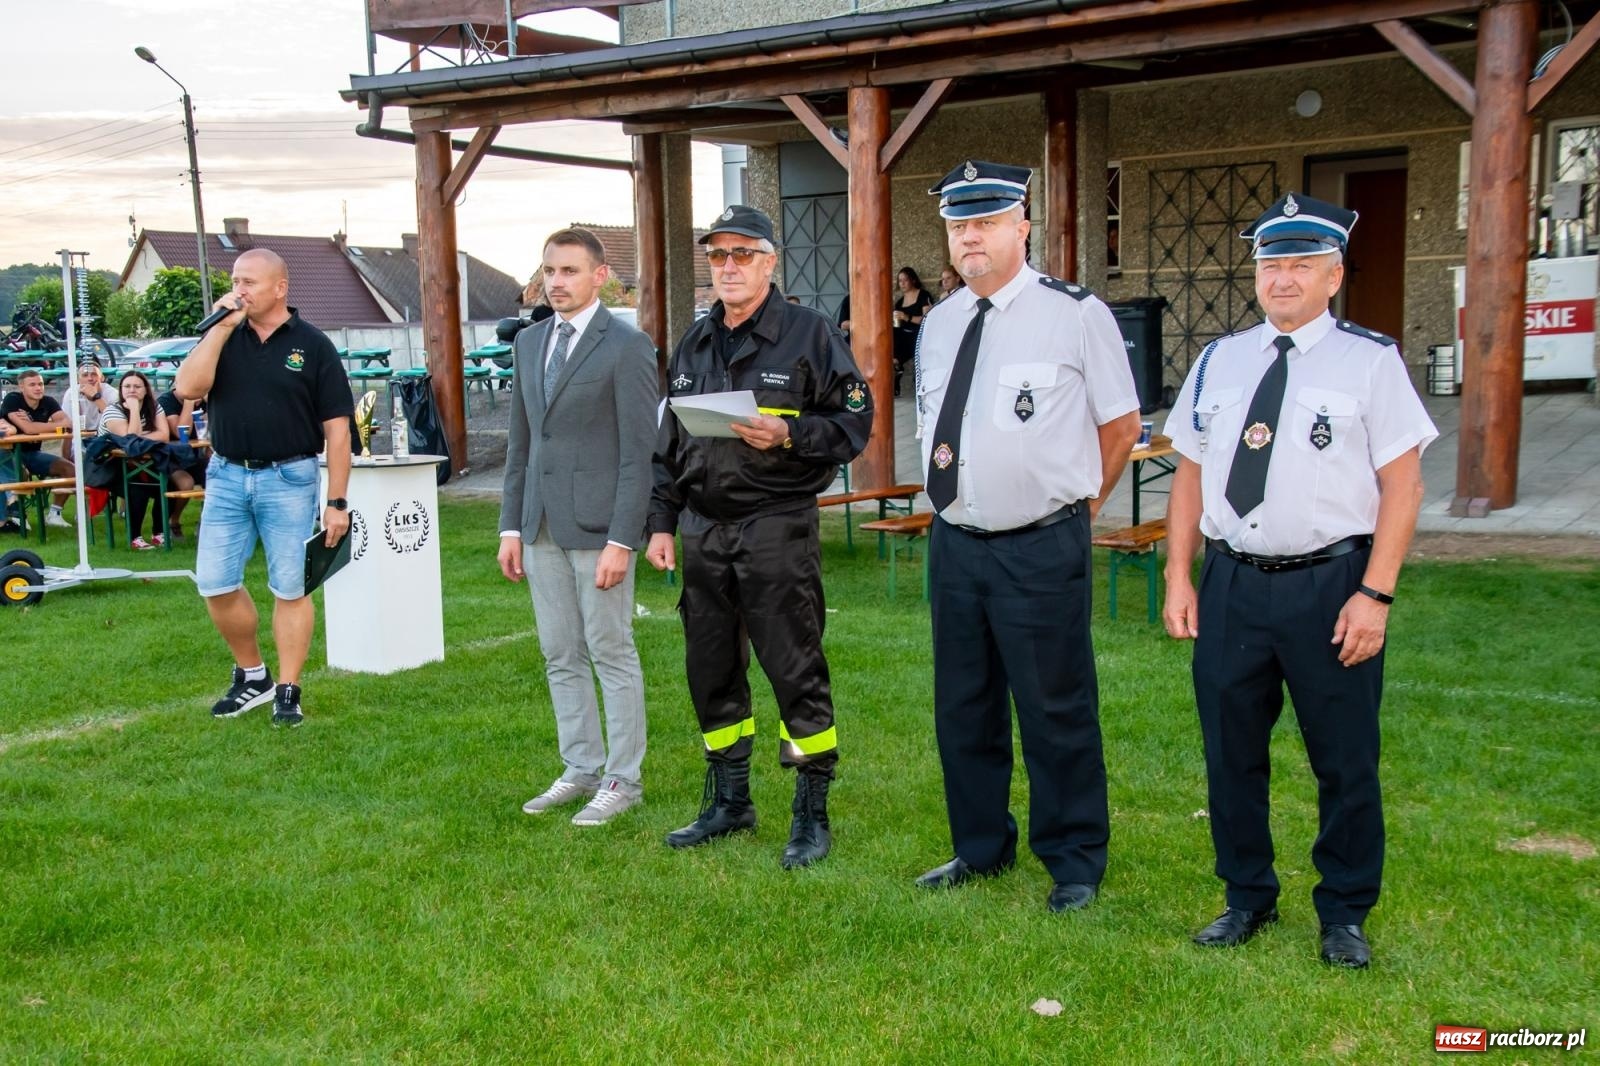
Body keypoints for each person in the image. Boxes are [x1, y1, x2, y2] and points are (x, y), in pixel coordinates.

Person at [1161, 193, 1436, 969]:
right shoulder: (1219, 361)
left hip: (1331, 585)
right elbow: (1190, 474)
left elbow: (1404, 486)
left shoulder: (1370, 361)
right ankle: (1246, 895)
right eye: (1271, 263)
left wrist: (1375, 594)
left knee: (1344, 758)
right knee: (1231, 752)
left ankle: (1344, 911)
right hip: (1233, 582)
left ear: (1333, 275)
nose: (1282, 278)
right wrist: (1180, 575)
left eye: (1302, 264)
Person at [912, 160, 1141, 913]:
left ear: (1023, 227)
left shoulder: (1075, 314)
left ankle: (1073, 860)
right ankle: (979, 847)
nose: (970, 237)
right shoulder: (941, 323)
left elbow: (1121, 426)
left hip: (1040, 543)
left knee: (1055, 707)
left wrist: (1077, 505)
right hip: (956, 541)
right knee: (963, 706)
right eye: (959, 224)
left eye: (986, 221)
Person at [645, 204, 872, 869]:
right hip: (702, 530)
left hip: (776, 526)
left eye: (743, 254)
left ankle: (810, 809)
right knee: (710, 668)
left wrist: (790, 433)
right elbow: (668, 445)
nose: (729, 267)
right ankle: (730, 800)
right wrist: (660, 522)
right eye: (718, 255)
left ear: (771, 262)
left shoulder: (809, 334)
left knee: (794, 667)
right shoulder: (694, 343)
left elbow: (854, 425)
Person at [497, 227, 659, 827]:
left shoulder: (628, 345)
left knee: (610, 651)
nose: (556, 282)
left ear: (600, 276)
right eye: (549, 271)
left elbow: (639, 453)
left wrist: (623, 538)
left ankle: (623, 779)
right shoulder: (529, 342)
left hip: (599, 530)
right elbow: (521, 442)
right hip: (539, 525)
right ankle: (581, 767)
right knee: (560, 652)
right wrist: (510, 526)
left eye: (569, 271)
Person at [175, 248, 353, 729]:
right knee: (215, 582)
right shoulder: (223, 336)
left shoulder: (313, 345)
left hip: (289, 478)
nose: (239, 290)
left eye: (249, 282)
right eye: (235, 281)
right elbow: (187, 388)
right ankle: (253, 675)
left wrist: (336, 502)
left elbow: (338, 430)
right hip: (227, 475)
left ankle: (288, 689)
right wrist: (219, 330)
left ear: (280, 288)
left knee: (290, 587)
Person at [100, 370, 174, 550]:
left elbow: (164, 436)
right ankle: (135, 537)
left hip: (143, 463)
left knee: (171, 483)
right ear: (120, 389)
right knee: (137, 489)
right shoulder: (112, 411)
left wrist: (140, 437)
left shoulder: (154, 407)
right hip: (110, 466)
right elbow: (131, 440)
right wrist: (133, 409)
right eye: (127, 386)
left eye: (137, 386)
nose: (132, 390)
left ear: (146, 390)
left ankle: (159, 532)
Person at [1, 368, 75, 528]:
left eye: (40, 384)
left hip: (33, 453)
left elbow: (68, 424)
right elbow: (29, 430)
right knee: (19, 472)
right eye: (32, 385)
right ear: (21, 387)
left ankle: (54, 514)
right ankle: (17, 515)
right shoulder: (12, 399)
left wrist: (34, 424)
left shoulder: (48, 401)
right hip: (9, 454)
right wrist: (49, 426)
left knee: (70, 469)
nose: (38, 388)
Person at [155, 390, 206, 540]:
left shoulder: (205, 400)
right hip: (169, 458)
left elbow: (209, 429)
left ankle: (206, 521)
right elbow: (181, 432)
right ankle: (174, 521)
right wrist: (189, 402)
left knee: (217, 476)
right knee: (186, 483)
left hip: (194, 456)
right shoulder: (166, 400)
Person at [891, 266, 933, 396]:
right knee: (890, 338)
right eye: (900, 281)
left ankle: (897, 366)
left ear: (913, 280)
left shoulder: (923, 295)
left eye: (905, 280)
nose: (902, 283)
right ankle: (895, 367)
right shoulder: (899, 302)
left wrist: (907, 317)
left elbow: (927, 319)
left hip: (918, 333)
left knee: (907, 341)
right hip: (901, 333)